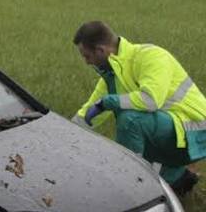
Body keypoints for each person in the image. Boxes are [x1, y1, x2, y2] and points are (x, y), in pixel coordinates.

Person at [72, 21, 205, 195]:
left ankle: (131, 190)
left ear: (101, 50)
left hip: (195, 131)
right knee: (129, 127)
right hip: (173, 134)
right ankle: (175, 178)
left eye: (87, 56)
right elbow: (87, 113)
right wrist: (59, 133)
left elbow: (151, 100)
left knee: (130, 120)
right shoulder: (112, 75)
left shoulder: (151, 56)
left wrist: (109, 102)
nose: (86, 62)